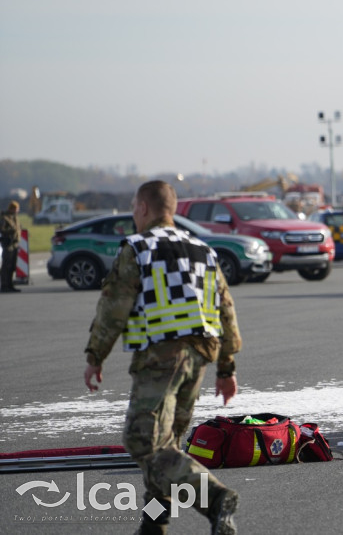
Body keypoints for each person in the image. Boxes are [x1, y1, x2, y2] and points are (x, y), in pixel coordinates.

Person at [82, 181, 241, 535]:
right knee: (164, 450)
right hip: (198, 359)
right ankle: (154, 522)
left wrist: (95, 356)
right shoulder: (203, 249)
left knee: (143, 441)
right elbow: (226, 311)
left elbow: (113, 308)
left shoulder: (137, 248)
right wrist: (227, 368)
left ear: (142, 207)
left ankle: (216, 499)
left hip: (161, 358)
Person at [1, 201, 21, 293]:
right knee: (6, 266)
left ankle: (10, 284)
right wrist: (11, 231)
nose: (17, 211)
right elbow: (2, 229)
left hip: (15, 244)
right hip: (8, 244)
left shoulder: (14, 217)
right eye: (16, 209)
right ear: (12, 208)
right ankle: (5, 285)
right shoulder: (4, 217)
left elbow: (18, 227)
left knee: (12, 266)